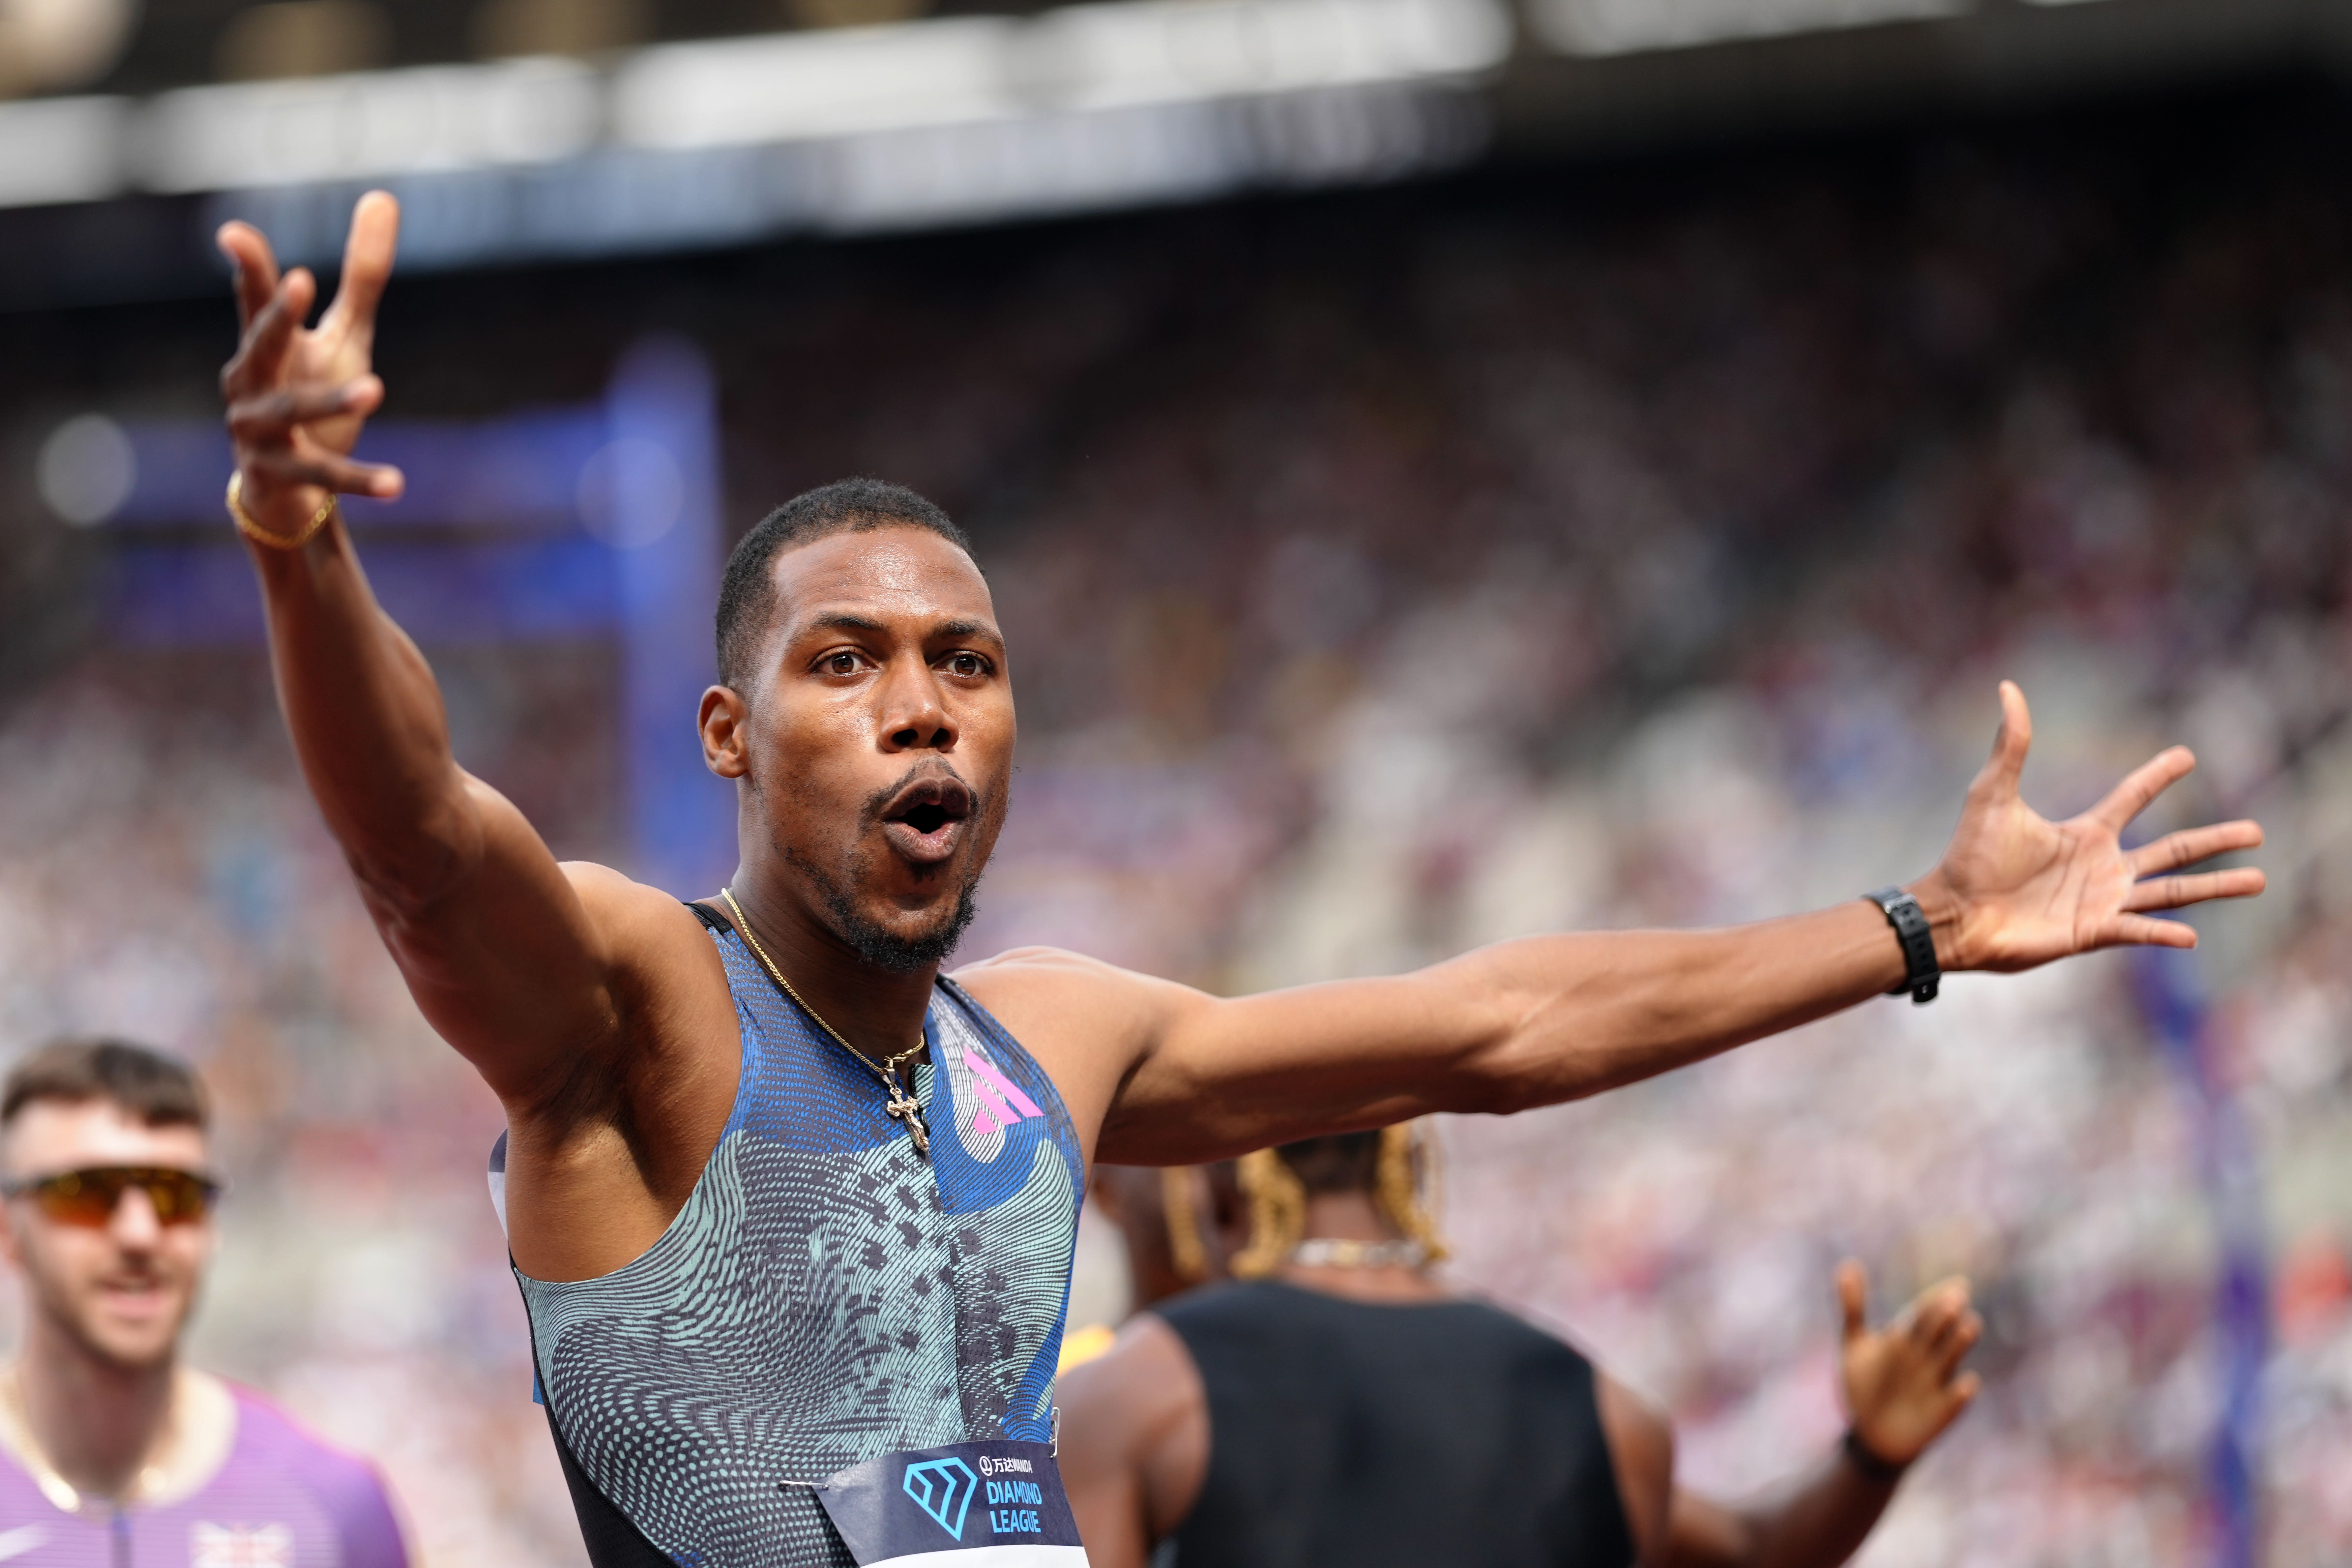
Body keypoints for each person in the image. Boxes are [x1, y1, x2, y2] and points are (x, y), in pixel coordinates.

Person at [210, 189, 2261, 1568]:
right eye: (847, 665)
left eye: (967, 665)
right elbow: (415, 842)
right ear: (732, 738)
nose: (921, 709)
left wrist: (1910, 926)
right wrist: (302, 547)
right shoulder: (639, 1004)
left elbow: (1500, 1025)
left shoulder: (1054, 1044)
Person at [1059, 1128, 1981, 1568]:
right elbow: (1759, 1554)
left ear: (1227, 1185)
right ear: (1413, 1169)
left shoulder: (1136, 1396)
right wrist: (1870, 1455)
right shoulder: (1607, 1411)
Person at [0, 1038, 408, 1566]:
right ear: (9, 1229)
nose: (141, 1234)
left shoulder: (330, 1503)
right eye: (88, 1193)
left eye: (177, 1195)